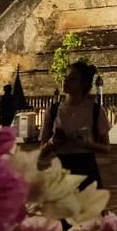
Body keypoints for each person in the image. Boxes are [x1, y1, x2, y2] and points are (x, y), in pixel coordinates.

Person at [39, 61, 110, 190]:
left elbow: (106, 148)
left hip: (86, 169)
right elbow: (41, 152)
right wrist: (52, 143)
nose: (65, 81)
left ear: (83, 84)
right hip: (61, 168)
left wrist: (85, 144)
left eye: (72, 78)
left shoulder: (95, 111)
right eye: (65, 77)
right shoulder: (54, 111)